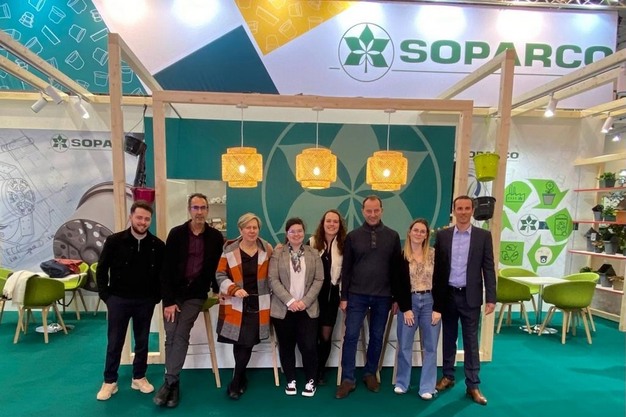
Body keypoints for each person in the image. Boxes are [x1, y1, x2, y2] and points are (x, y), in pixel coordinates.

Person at [153, 193, 224, 408]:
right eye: (195, 207)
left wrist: (217, 289)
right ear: (189, 209)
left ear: (207, 210)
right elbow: (166, 269)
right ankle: (173, 383)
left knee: (181, 332)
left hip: (195, 294)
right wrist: (168, 301)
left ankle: (169, 382)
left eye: (203, 208)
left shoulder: (215, 237)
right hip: (173, 294)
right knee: (171, 334)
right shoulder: (176, 234)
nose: (199, 212)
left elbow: (216, 267)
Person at [96, 200, 165, 401]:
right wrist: (106, 295)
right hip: (118, 300)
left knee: (142, 341)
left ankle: (139, 377)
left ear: (150, 220)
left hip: (145, 301)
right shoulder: (114, 241)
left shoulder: (157, 245)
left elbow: (162, 274)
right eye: (139, 217)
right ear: (131, 217)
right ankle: (110, 381)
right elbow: (101, 269)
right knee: (115, 341)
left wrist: (156, 297)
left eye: (147, 219)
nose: (143, 222)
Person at [336, 195, 402, 399]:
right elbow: (346, 269)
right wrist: (344, 296)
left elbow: (396, 269)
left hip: (384, 296)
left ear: (381, 210)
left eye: (376, 210)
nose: (372, 214)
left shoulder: (393, 236)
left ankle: (370, 373)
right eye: (369, 211)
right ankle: (348, 379)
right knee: (350, 336)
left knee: (377, 336)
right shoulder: (353, 236)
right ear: (363, 211)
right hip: (357, 295)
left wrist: (396, 297)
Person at [432, 195, 496, 406]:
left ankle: (473, 385)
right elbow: (437, 269)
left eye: (467, 208)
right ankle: (448, 376)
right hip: (448, 295)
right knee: (448, 338)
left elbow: (488, 267)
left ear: (472, 210)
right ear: (454, 210)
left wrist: (491, 297)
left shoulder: (483, 236)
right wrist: (435, 297)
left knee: (471, 341)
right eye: (459, 208)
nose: (463, 212)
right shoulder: (443, 236)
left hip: (471, 296)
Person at [215, 213, 273, 400]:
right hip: (236, 303)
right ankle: (239, 378)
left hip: (258, 304)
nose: (252, 231)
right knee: (239, 342)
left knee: (247, 342)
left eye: (255, 227)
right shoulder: (229, 249)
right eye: (248, 227)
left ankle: (236, 380)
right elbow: (220, 274)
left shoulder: (267, 249)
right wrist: (233, 289)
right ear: (240, 229)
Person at [269, 218, 324, 397]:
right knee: (286, 346)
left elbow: (319, 279)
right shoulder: (278, 253)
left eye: (299, 231)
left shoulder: (313, 253)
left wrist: (304, 301)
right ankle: (290, 380)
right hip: (283, 309)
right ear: (287, 233)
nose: (296, 234)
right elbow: (273, 279)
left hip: (307, 308)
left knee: (309, 346)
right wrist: (290, 301)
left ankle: (311, 380)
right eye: (292, 231)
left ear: (304, 232)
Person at [392, 218, 440, 400]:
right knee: (404, 345)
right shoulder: (401, 256)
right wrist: (405, 308)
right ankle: (402, 383)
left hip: (430, 303)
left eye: (422, 231)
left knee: (431, 347)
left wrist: (438, 308)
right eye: (416, 230)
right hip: (409, 303)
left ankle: (427, 387)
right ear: (410, 232)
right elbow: (397, 284)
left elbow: (441, 281)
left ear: (427, 235)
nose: (419, 234)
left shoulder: (434, 255)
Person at [309, 209, 347, 385]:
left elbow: (347, 272)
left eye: (335, 221)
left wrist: (344, 296)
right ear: (322, 223)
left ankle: (320, 370)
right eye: (328, 221)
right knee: (311, 336)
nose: (332, 224)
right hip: (312, 296)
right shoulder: (312, 242)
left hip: (332, 297)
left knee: (325, 336)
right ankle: (311, 368)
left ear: (340, 225)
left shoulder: (345, 244)